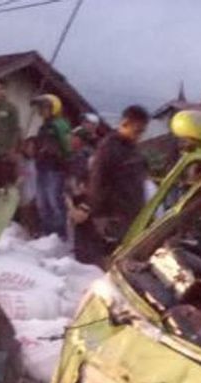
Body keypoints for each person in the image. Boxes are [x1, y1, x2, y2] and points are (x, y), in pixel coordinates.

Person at [82, 104, 149, 265]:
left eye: (142, 132)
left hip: (132, 213)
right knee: (113, 261)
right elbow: (97, 181)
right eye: (137, 131)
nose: (139, 136)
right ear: (125, 123)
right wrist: (100, 215)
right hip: (114, 216)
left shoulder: (132, 150)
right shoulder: (109, 148)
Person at [31, 94, 72, 237]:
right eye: (40, 108)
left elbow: (68, 148)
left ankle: (60, 235)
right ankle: (47, 232)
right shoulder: (43, 126)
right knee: (42, 203)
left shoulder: (60, 125)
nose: (41, 110)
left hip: (55, 169)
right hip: (42, 167)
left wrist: (59, 155)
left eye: (44, 107)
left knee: (54, 201)